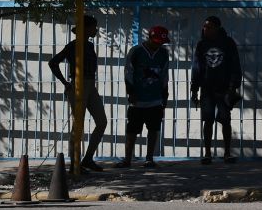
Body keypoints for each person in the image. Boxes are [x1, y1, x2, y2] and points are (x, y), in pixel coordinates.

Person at [46, 15, 108, 170]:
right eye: (93, 27)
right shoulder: (73, 45)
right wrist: (65, 83)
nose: (95, 30)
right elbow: (53, 62)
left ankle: (87, 159)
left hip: (90, 85)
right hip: (78, 85)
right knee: (78, 125)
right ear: (85, 28)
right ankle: (75, 163)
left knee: (102, 122)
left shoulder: (90, 45)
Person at [190, 16, 242, 164]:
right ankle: (207, 153)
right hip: (207, 88)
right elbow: (197, 67)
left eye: (209, 27)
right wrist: (194, 89)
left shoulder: (228, 43)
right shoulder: (202, 44)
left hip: (224, 88)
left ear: (217, 28)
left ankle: (227, 153)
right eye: (204, 26)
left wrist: (233, 87)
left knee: (225, 120)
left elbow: (235, 65)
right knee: (208, 120)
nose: (205, 29)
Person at [120, 25, 171, 168]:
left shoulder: (164, 53)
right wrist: (131, 92)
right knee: (132, 130)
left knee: (154, 129)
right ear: (150, 38)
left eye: (161, 43)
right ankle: (127, 159)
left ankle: (149, 159)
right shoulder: (136, 51)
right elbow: (128, 72)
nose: (158, 45)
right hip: (138, 99)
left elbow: (165, 75)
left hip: (155, 98)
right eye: (156, 42)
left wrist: (165, 95)